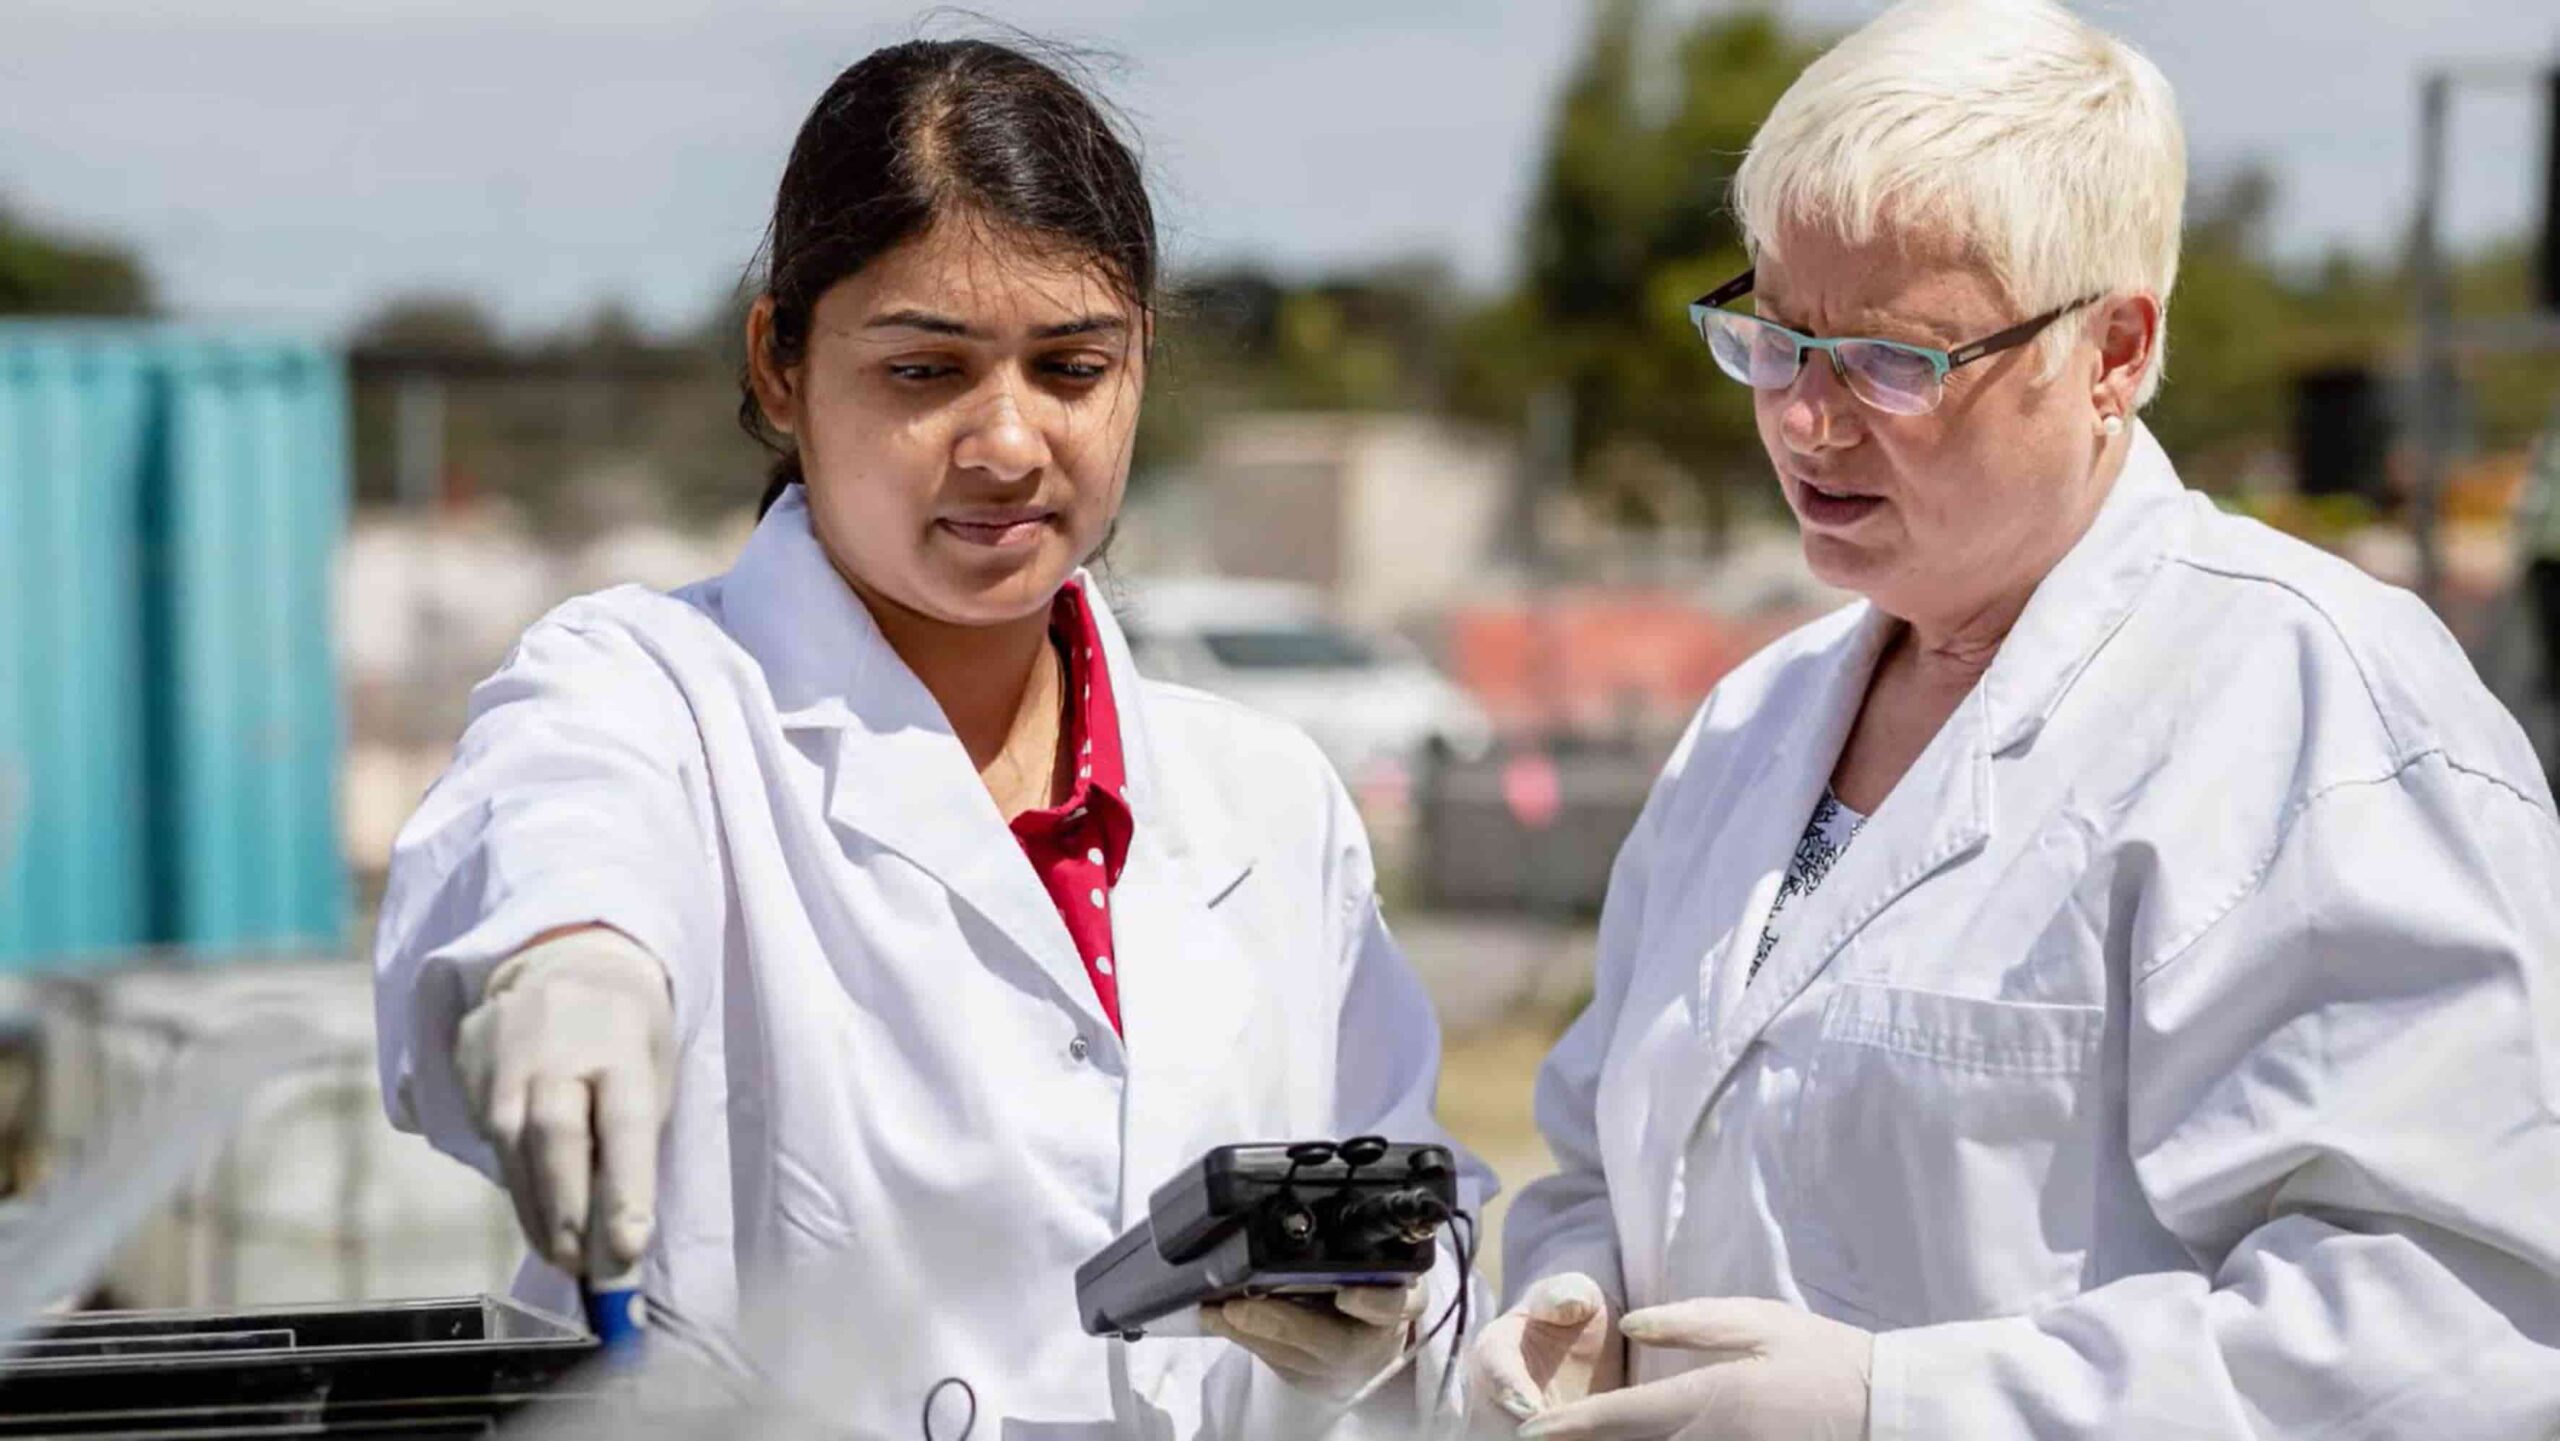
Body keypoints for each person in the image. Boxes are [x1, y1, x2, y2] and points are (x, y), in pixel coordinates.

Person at [1466, 2, 2560, 1437]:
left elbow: (2454, 1330)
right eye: (1776, 336)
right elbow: (1608, 1144)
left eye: (1893, 361)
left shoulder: (2310, 709)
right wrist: (1576, 1291)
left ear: (2113, 349)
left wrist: (1900, 1406)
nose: (1806, 418)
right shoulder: (1754, 722)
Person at [372, 37, 1488, 1437]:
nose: (1009, 443)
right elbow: (555, 838)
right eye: (925, 372)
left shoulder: (1265, 803)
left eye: (1073, 367)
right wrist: (568, 962)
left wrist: (1392, 1322)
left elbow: (1434, 1235)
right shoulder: (648, 693)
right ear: (781, 364)